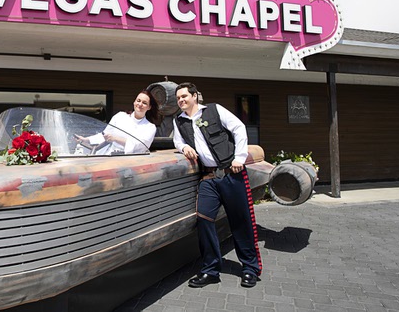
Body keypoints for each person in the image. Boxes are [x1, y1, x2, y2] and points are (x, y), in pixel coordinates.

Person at [172, 82, 262, 288]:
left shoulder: (214, 110)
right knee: (204, 219)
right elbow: (177, 141)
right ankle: (210, 270)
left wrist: (240, 157)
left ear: (195, 96)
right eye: (178, 98)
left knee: (241, 221)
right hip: (208, 178)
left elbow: (238, 127)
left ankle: (250, 269)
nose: (181, 100)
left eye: (184, 96)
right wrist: (185, 146)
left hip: (232, 174)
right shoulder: (179, 121)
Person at [75, 90, 160, 154]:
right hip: (111, 157)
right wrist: (87, 140)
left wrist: (116, 139)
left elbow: (140, 145)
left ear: (149, 107)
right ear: (134, 102)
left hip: (133, 162)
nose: (140, 104)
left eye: (144, 103)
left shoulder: (150, 127)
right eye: (138, 100)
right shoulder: (120, 116)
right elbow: (104, 135)